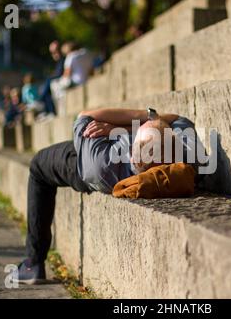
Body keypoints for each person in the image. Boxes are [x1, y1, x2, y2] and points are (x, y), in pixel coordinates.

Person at [15, 108, 206, 284]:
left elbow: (85, 116)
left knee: (38, 166)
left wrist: (138, 121)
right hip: (110, 156)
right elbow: (178, 119)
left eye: (134, 133)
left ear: (132, 153)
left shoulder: (100, 163)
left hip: (90, 161)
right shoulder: (188, 155)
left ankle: (33, 263)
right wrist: (136, 128)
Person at [50, 42, 93, 115]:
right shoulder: (86, 53)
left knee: (54, 84)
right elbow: (91, 70)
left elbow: (67, 74)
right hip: (86, 79)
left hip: (75, 82)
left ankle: (60, 111)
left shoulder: (71, 56)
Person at [38, 41, 65, 118]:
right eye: (52, 52)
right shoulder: (59, 62)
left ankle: (45, 106)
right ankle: (48, 110)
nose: (54, 54)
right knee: (48, 84)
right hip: (57, 82)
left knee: (48, 82)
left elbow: (60, 74)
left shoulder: (64, 59)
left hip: (62, 81)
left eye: (56, 51)